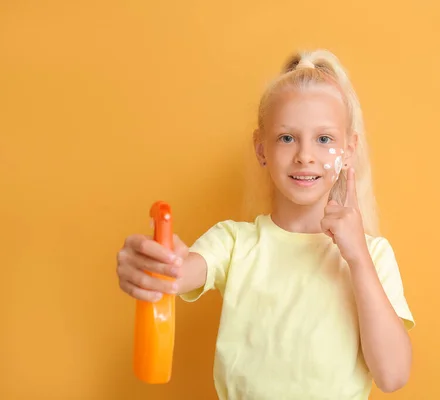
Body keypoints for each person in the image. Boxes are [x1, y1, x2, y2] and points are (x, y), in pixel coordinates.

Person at [116, 49, 416, 400]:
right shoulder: (234, 242)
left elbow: (393, 376)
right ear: (261, 149)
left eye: (324, 139)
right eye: (287, 138)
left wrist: (359, 259)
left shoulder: (373, 256)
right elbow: (180, 272)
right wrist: (156, 266)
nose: (305, 155)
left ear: (348, 150)